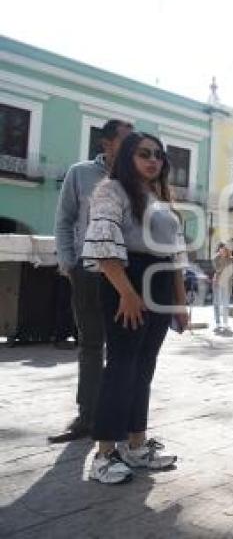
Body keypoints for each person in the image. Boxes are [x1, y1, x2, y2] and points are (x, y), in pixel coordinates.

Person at [81, 132, 189, 484]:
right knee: (122, 367)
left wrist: (180, 303)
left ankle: (136, 445)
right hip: (125, 278)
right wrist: (127, 293)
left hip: (158, 282)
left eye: (158, 155)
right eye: (144, 153)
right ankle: (104, 454)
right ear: (128, 156)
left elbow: (173, 254)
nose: (153, 160)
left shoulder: (161, 198)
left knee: (144, 367)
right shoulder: (111, 191)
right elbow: (103, 244)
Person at [50, 119, 134, 443]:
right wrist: (68, 263)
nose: (131, 148)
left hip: (125, 274)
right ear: (106, 144)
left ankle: (118, 418)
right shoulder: (80, 173)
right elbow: (64, 220)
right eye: (125, 141)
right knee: (90, 344)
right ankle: (87, 416)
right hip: (87, 272)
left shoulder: (137, 178)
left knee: (124, 347)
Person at [212, 243, 233, 335]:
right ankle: (218, 323)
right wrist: (221, 257)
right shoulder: (216, 258)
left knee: (226, 304)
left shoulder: (232, 259)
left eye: (225, 249)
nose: (223, 251)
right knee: (216, 303)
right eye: (222, 249)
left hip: (227, 284)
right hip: (217, 283)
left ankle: (225, 323)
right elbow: (218, 269)